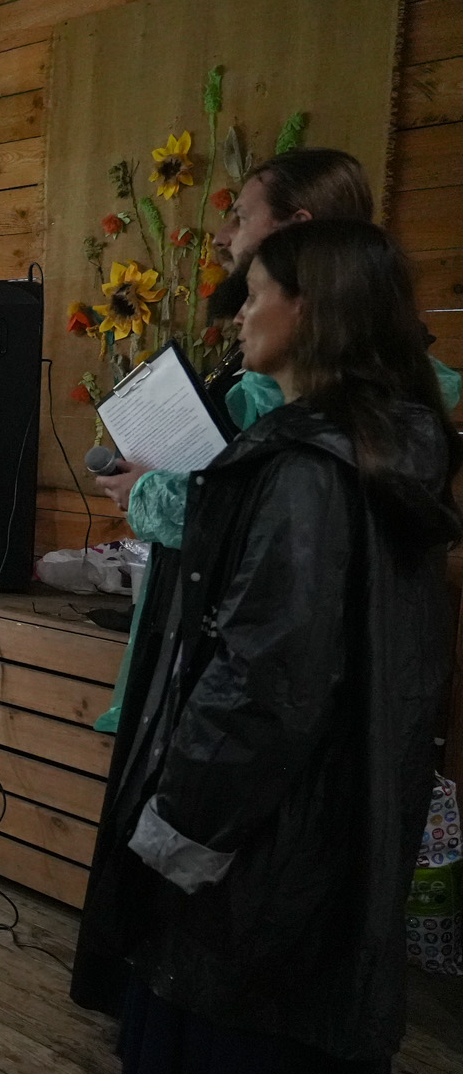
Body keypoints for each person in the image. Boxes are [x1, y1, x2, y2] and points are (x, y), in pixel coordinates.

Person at [73, 220, 461, 1074]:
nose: (240, 313)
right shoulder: (379, 440)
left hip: (284, 792)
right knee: (290, 992)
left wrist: (184, 810)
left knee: (266, 997)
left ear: (312, 310)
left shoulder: (308, 468)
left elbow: (265, 673)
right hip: (339, 779)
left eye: (256, 293)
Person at [90, 148, 458, 734]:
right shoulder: (334, 397)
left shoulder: (325, 428)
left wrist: (153, 493)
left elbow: (263, 543)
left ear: (296, 233)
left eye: (241, 216)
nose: (222, 236)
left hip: (269, 704)